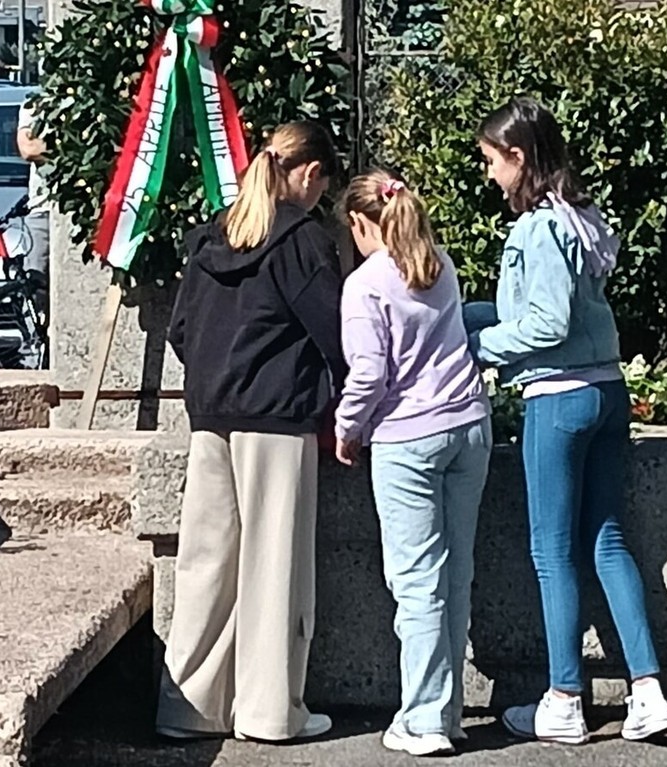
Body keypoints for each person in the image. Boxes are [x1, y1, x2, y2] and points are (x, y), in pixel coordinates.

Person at [469, 97, 667, 745]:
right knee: (607, 541)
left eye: (492, 161)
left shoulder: (536, 228)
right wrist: (464, 313)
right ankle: (649, 689)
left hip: (558, 400)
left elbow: (546, 324)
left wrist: (476, 345)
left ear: (518, 157)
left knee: (551, 552)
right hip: (607, 392)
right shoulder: (580, 216)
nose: (489, 174)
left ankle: (563, 698)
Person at [159, 121, 346, 743]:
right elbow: (337, 332)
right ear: (311, 173)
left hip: (210, 416)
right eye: (323, 185)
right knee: (275, 564)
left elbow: (181, 331)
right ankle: (270, 713)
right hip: (277, 418)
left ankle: (189, 707)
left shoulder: (213, 236)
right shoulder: (302, 241)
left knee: (205, 566)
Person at [335, 170, 492, 756]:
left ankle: (424, 718)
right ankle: (447, 712)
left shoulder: (364, 285)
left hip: (407, 437)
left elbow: (369, 373)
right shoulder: (439, 264)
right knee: (455, 574)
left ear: (359, 222)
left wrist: (347, 429)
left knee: (417, 581)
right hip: (468, 423)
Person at [15, 97, 50, 278]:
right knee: (35, 284)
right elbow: (29, 148)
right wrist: (71, 147)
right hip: (43, 210)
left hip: (87, 215)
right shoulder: (37, 104)